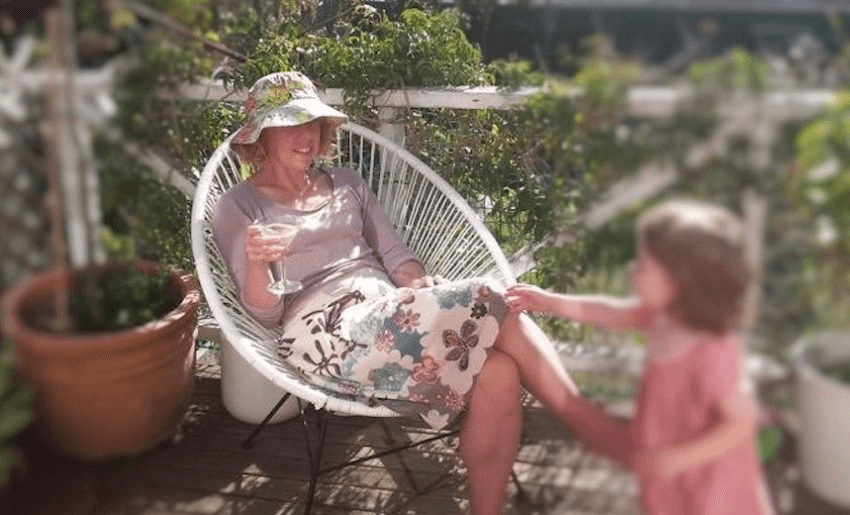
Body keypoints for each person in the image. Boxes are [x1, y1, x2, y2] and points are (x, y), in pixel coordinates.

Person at [212, 71, 596, 515]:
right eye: (291, 125)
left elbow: (397, 256)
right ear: (262, 135)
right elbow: (261, 315)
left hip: (387, 313)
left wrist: (418, 285)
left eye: (313, 124)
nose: (306, 136)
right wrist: (257, 259)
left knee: (500, 373)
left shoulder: (347, 184)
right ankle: (588, 422)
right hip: (324, 332)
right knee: (495, 298)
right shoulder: (240, 205)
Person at [505, 199, 775, 515]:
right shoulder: (665, 315)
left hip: (709, 478)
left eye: (645, 265)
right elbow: (608, 311)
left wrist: (678, 460)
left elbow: (742, 423)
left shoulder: (712, 351)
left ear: (681, 282)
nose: (634, 270)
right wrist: (549, 302)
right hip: (666, 462)